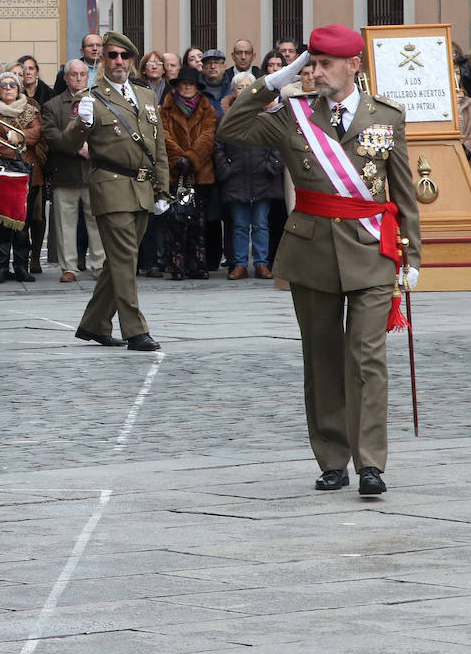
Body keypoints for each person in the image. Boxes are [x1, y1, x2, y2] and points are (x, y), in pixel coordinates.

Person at [217, 28, 421, 496]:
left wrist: (411, 252)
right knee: (323, 359)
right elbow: (230, 129)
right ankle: (333, 458)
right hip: (312, 251)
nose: (316, 71)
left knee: (367, 358)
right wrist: (272, 83)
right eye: (312, 63)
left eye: (327, 63)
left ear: (354, 66)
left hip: (372, 251)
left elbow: (403, 191)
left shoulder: (385, 116)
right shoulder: (294, 115)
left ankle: (371, 462)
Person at [64, 32, 169, 351]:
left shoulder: (146, 96)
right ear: (102, 60)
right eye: (111, 56)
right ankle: (135, 330)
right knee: (125, 260)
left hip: (142, 187)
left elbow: (158, 147)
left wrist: (163, 188)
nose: (118, 61)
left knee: (120, 261)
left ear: (132, 60)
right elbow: (69, 143)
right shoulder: (91, 97)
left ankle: (95, 323)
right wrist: (82, 124)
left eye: (124, 56)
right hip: (111, 186)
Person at [41, 59, 104, 283]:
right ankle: (69, 267)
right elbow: (52, 136)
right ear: (66, 78)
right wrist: (77, 147)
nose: (78, 78)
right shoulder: (53, 105)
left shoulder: (100, 101)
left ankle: (99, 265)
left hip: (93, 172)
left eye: (82, 74)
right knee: (65, 223)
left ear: (88, 77)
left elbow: (107, 132)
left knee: (96, 222)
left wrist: (93, 148)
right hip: (65, 173)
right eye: (73, 74)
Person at [216, 74, 281, 279]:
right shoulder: (225, 116)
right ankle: (240, 263)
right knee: (239, 224)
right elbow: (217, 146)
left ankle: (261, 263)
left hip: (262, 178)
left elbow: (278, 142)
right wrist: (226, 169)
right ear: (233, 91)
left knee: (261, 224)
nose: (243, 90)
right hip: (236, 178)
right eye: (239, 87)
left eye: (248, 86)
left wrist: (271, 166)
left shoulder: (268, 114)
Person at [0, 73, 42, 282]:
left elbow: (37, 134)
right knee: (3, 223)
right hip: (5, 174)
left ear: (18, 89)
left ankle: (22, 266)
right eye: (3, 86)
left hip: (29, 176)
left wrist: (14, 136)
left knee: (23, 224)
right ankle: (0, 268)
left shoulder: (31, 110)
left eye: (12, 85)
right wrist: (20, 147)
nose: (8, 88)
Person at [160, 66, 217, 280]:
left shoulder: (207, 108)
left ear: (196, 87)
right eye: (183, 83)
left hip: (200, 173)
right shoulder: (165, 108)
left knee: (198, 221)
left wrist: (191, 157)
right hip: (176, 174)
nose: (186, 87)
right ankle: (176, 265)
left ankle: (197, 264)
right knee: (175, 221)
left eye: (190, 84)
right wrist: (178, 159)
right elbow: (163, 136)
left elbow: (208, 136)